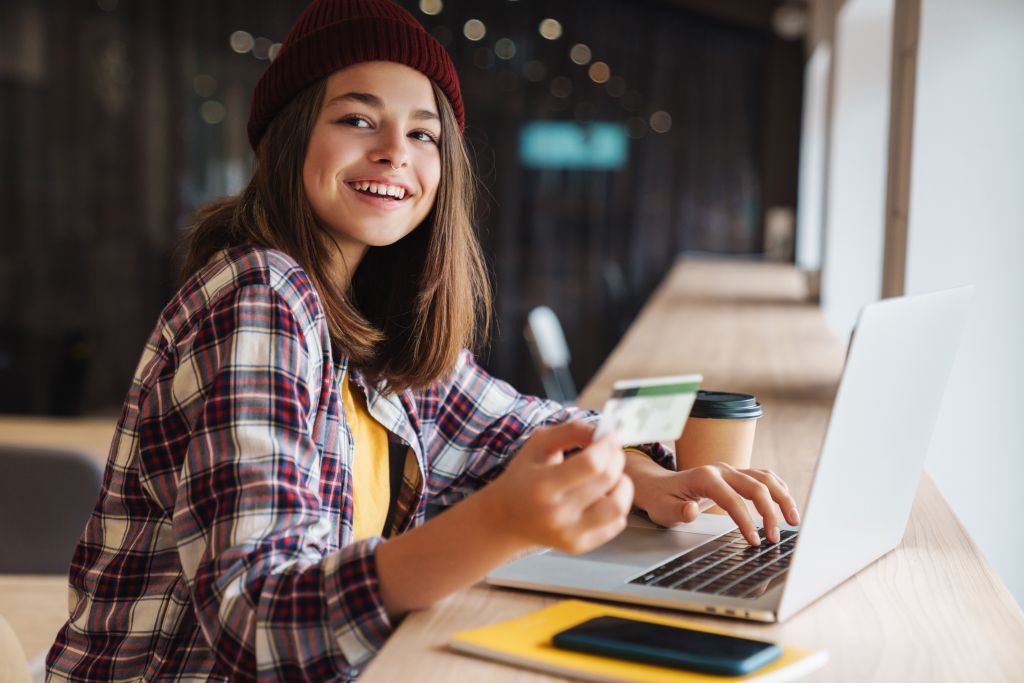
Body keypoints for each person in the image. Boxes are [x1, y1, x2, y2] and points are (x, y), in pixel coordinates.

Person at [46, 1, 800, 680]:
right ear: (289, 130)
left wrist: (641, 473)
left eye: (423, 133)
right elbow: (257, 618)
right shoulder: (260, 296)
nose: (394, 153)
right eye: (357, 119)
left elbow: (513, 426)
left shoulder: (368, 318)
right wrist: (500, 522)